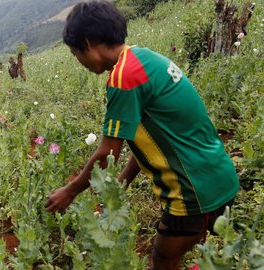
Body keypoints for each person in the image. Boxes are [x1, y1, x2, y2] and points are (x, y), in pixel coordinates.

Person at [43, 1, 239, 269]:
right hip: (215, 176)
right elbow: (150, 137)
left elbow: (107, 152)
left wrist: (70, 191)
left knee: (162, 259)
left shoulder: (124, 77)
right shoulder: (142, 59)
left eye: (75, 53)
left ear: (88, 43)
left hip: (193, 190)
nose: (78, 61)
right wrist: (122, 182)